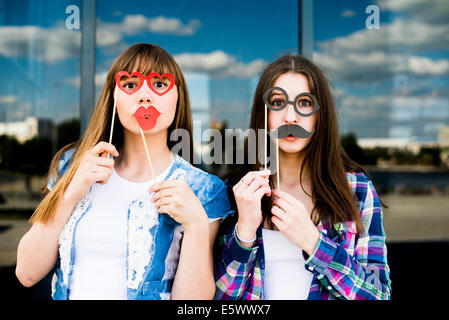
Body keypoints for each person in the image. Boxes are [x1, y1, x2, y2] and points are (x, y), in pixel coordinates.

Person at [16, 43, 233, 300]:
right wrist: (70, 192)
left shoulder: (203, 189)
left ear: (178, 96)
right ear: (113, 98)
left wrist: (196, 224)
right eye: (130, 85)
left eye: (160, 84)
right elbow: (27, 273)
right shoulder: (72, 165)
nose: (144, 95)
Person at [213, 54, 392, 300]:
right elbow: (220, 299)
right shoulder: (235, 191)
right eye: (277, 102)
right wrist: (244, 232)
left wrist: (314, 242)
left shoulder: (356, 189)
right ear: (263, 113)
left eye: (305, 103)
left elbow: (377, 295)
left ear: (321, 114)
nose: (290, 117)